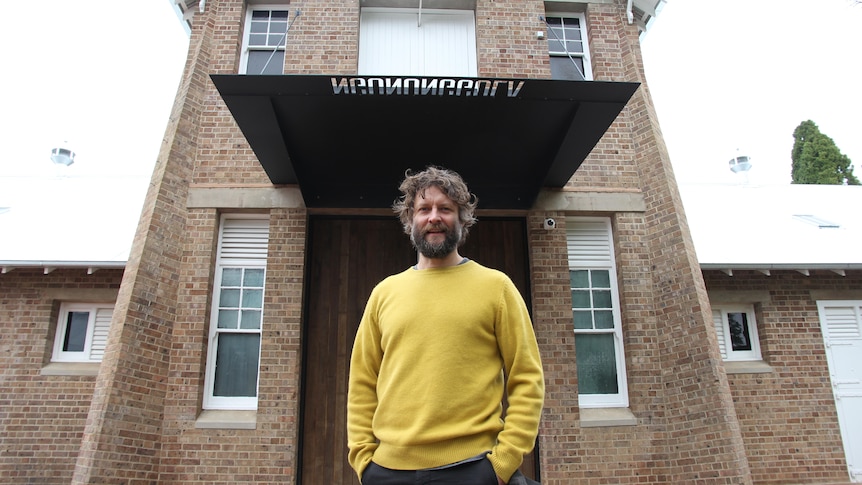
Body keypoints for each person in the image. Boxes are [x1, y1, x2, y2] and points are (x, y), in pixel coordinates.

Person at [347, 166, 545, 484]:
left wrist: (503, 463)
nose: (434, 217)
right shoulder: (384, 292)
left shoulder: (497, 287)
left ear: (462, 218)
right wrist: (363, 459)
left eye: (445, 209)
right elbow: (362, 381)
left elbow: (527, 377)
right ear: (410, 219)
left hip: (472, 468)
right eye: (424, 209)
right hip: (387, 471)